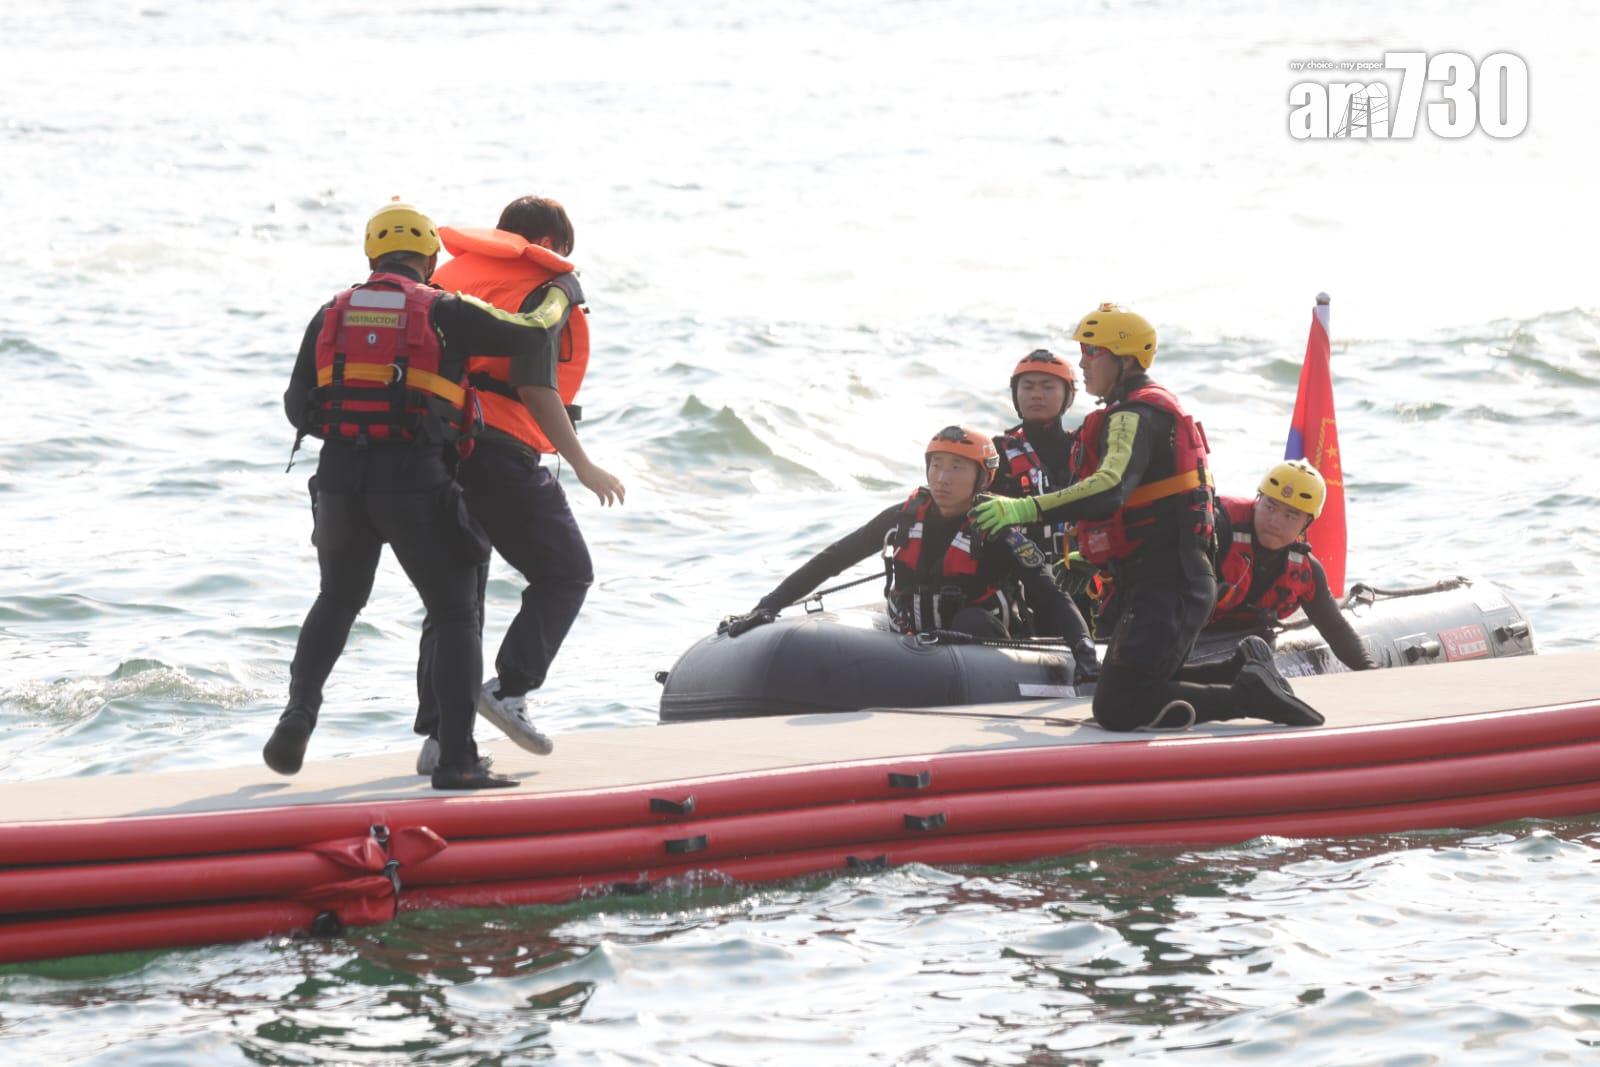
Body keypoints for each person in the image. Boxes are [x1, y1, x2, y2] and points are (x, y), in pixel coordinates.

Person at [266, 198, 564, 790]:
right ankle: (455, 760)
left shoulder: (331, 312)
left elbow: (298, 406)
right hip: (416, 482)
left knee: (337, 600)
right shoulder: (445, 309)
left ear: (372, 255)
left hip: (342, 485)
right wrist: (560, 289)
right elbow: (533, 332)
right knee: (457, 613)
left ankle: (299, 713)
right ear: (429, 257)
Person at [973, 303, 1323, 731]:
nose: (1083, 364)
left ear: (1123, 358)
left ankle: (1247, 695)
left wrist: (1027, 507)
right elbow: (1148, 503)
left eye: (1092, 353)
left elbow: (1111, 486)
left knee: (1119, 709)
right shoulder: (1140, 408)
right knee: (1129, 690)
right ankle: (1241, 669)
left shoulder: (1134, 414)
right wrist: (1091, 555)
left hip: (1169, 585)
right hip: (1162, 581)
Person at [410, 196, 625, 774]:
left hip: (431, 452)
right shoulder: (544, 286)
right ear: (550, 245)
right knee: (566, 571)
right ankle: (509, 689)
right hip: (498, 449)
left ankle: (439, 739)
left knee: (456, 602)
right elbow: (534, 383)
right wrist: (583, 464)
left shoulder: (450, 275)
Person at [720, 426, 1099, 679]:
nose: (942, 478)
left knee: (972, 621)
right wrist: (767, 606)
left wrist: (1082, 648)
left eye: (956, 468)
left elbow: (1049, 593)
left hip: (982, 649)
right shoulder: (902, 518)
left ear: (983, 478)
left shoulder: (997, 529)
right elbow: (833, 560)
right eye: (936, 466)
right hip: (909, 643)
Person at [1193, 459, 1376, 674]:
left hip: (1244, 638)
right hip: (1190, 633)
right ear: (1257, 501)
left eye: (1291, 515)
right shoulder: (1217, 531)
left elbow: (1333, 627)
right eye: (1269, 507)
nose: (1275, 521)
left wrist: (1370, 670)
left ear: (1306, 523)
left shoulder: (1306, 570)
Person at [991, 349, 1078, 564]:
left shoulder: (1085, 448)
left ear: (1068, 395)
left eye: (1048, 387)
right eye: (1027, 387)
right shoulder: (996, 452)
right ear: (1015, 394)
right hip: (1018, 572)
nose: (1036, 394)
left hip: (1080, 572)